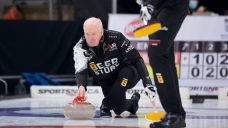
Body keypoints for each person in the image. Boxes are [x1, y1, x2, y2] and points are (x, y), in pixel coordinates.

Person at [73, 17, 156, 117]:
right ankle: (133, 103)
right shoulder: (80, 48)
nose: (90, 38)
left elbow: (137, 59)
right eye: (87, 34)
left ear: (101, 32)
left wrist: (147, 83)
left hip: (128, 73)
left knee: (123, 77)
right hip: (106, 80)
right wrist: (81, 86)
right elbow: (81, 70)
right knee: (118, 108)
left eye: (94, 34)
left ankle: (105, 105)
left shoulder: (116, 38)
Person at [136, 0, 188, 128]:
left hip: (171, 5)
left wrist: (149, 4)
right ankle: (174, 113)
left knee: (157, 54)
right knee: (164, 56)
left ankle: (175, 113)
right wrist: (144, 3)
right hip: (156, 8)